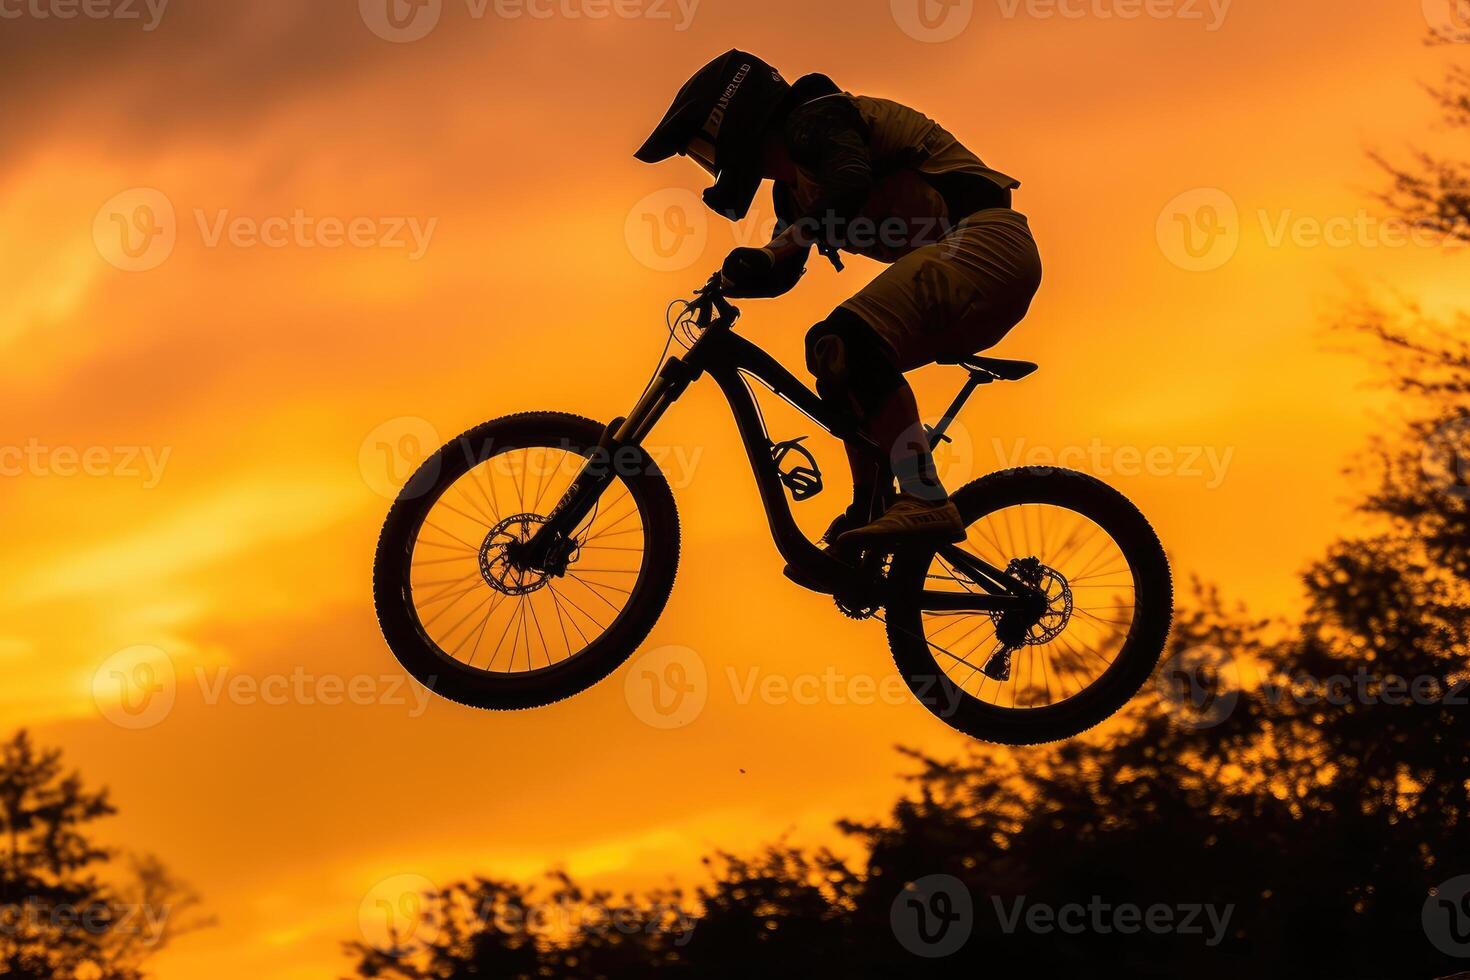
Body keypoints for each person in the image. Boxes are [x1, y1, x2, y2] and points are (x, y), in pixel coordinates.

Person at [635, 50, 1042, 580]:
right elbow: (782, 269)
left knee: (845, 335)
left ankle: (923, 495)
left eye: (700, 146)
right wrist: (736, 276)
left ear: (729, 123)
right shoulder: (794, 190)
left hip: (988, 243)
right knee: (833, 356)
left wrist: (784, 245)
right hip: (964, 268)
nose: (706, 162)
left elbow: (849, 185)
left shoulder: (818, 120)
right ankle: (868, 513)